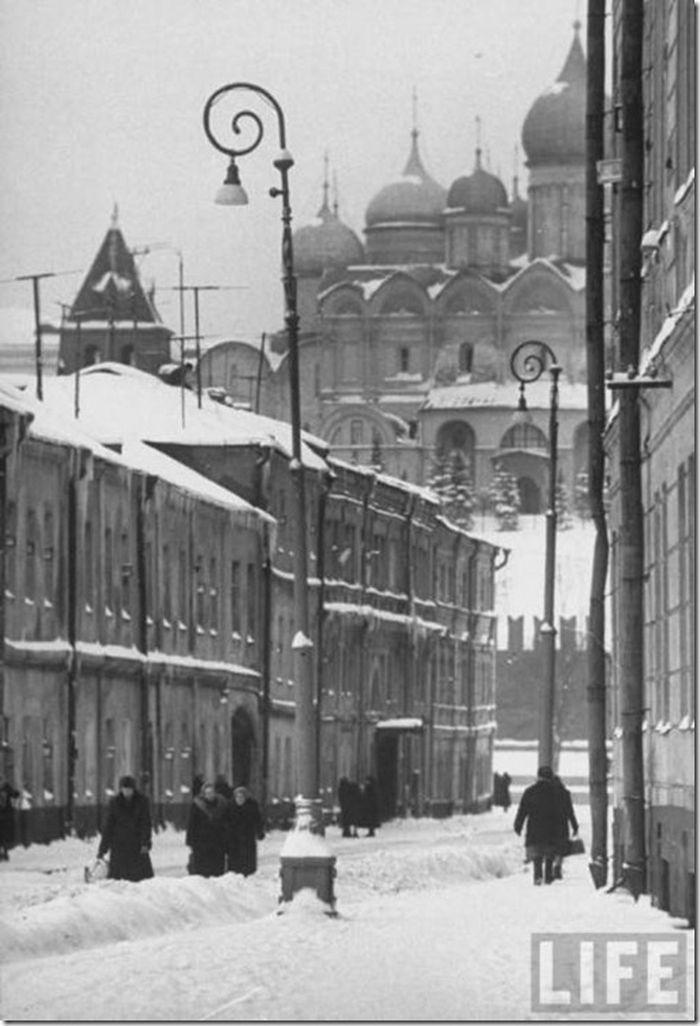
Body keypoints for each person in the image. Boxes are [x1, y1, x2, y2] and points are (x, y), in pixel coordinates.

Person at [97, 775, 154, 881]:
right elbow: (109, 827)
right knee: (118, 881)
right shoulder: (115, 803)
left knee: (140, 880)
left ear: (133, 789)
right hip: (119, 846)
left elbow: (146, 824)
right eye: (124, 789)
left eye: (129, 789)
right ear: (121, 789)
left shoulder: (142, 802)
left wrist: (145, 843)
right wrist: (102, 849)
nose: (127, 792)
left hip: (136, 846)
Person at [513, 765, 562, 885]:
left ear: (538, 776)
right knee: (549, 852)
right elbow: (561, 812)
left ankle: (538, 876)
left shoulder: (530, 791)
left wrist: (518, 825)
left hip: (535, 828)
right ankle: (548, 875)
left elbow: (522, 810)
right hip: (551, 828)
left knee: (537, 854)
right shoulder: (556, 792)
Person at [186, 780, 228, 877]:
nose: (210, 795)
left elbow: (226, 823)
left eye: (212, 793)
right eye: (207, 793)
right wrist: (190, 840)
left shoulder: (222, 805)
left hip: (217, 841)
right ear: (203, 794)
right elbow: (192, 824)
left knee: (217, 868)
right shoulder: (197, 805)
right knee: (202, 868)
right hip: (201, 841)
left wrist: (226, 839)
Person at [226, 785, 265, 876]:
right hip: (234, 838)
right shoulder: (230, 807)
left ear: (245, 797)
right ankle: (234, 874)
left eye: (241, 797)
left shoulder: (252, 806)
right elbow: (225, 822)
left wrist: (260, 832)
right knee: (234, 859)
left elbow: (258, 820)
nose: (239, 799)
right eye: (237, 797)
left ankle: (248, 873)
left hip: (248, 837)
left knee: (248, 857)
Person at [552, 775, 579, 880]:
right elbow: (570, 811)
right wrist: (574, 825)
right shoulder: (565, 793)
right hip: (562, 825)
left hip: (550, 824)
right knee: (560, 848)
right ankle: (558, 866)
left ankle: (551, 867)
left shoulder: (547, 794)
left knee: (551, 846)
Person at [0, 780, 19, 861]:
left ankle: (3, 853)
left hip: (5, 816)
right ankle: (4, 853)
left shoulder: (6, 787)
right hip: (6, 816)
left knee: (3, 835)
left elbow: (15, 795)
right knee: (4, 835)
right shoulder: (6, 786)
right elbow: (15, 795)